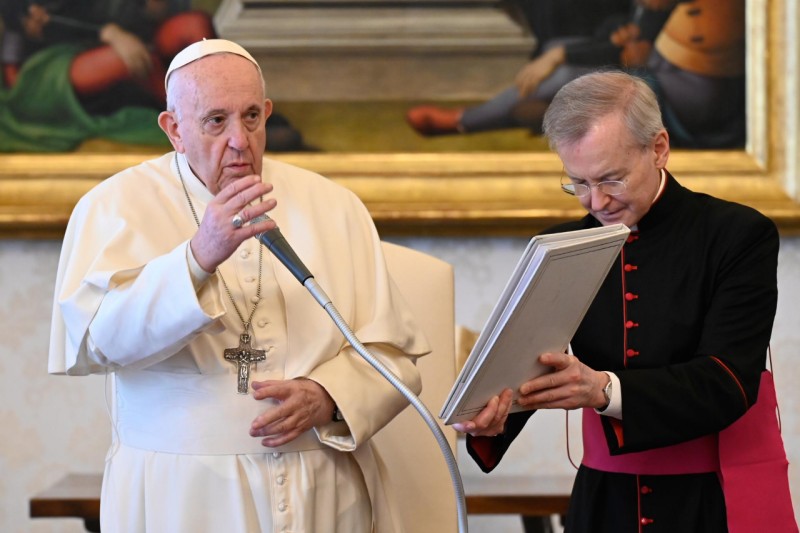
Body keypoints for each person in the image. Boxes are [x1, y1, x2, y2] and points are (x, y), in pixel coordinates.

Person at [48, 38, 430, 532]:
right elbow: (96, 344)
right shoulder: (113, 207)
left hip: (325, 491)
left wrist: (331, 396)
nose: (239, 140)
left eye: (251, 117)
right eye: (215, 120)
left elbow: (394, 356)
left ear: (267, 113)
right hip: (183, 499)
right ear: (174, 129)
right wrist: (197, 258)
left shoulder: (336, 206)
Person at [454, 71, 797, 532]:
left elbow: (728, 379)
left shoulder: (736, 235)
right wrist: (490, 414)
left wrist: (603, 390)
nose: (596, 202)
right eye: (578, 182)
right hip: (603, 502)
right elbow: (531, 362)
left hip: (708, 502)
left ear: (658, 148)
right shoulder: (561, 246)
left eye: (611, 179)